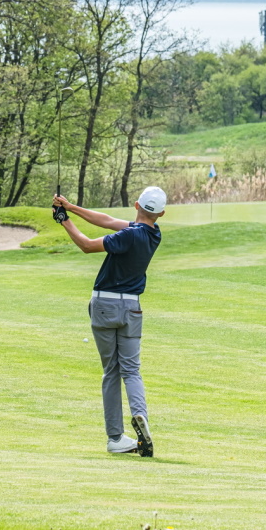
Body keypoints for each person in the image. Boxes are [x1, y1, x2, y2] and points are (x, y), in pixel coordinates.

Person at [52, 186, 166, 457]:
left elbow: (87, 245)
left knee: (111, 372)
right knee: (131, 370)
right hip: (132, 309)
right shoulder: (152, 233)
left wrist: (64, 221)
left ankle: (115, 437)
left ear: (136, 204)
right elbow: (104, 220)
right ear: (160, 213)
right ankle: (140, 416)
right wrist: (71, 207)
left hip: (105, 305)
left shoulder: (128, 236)